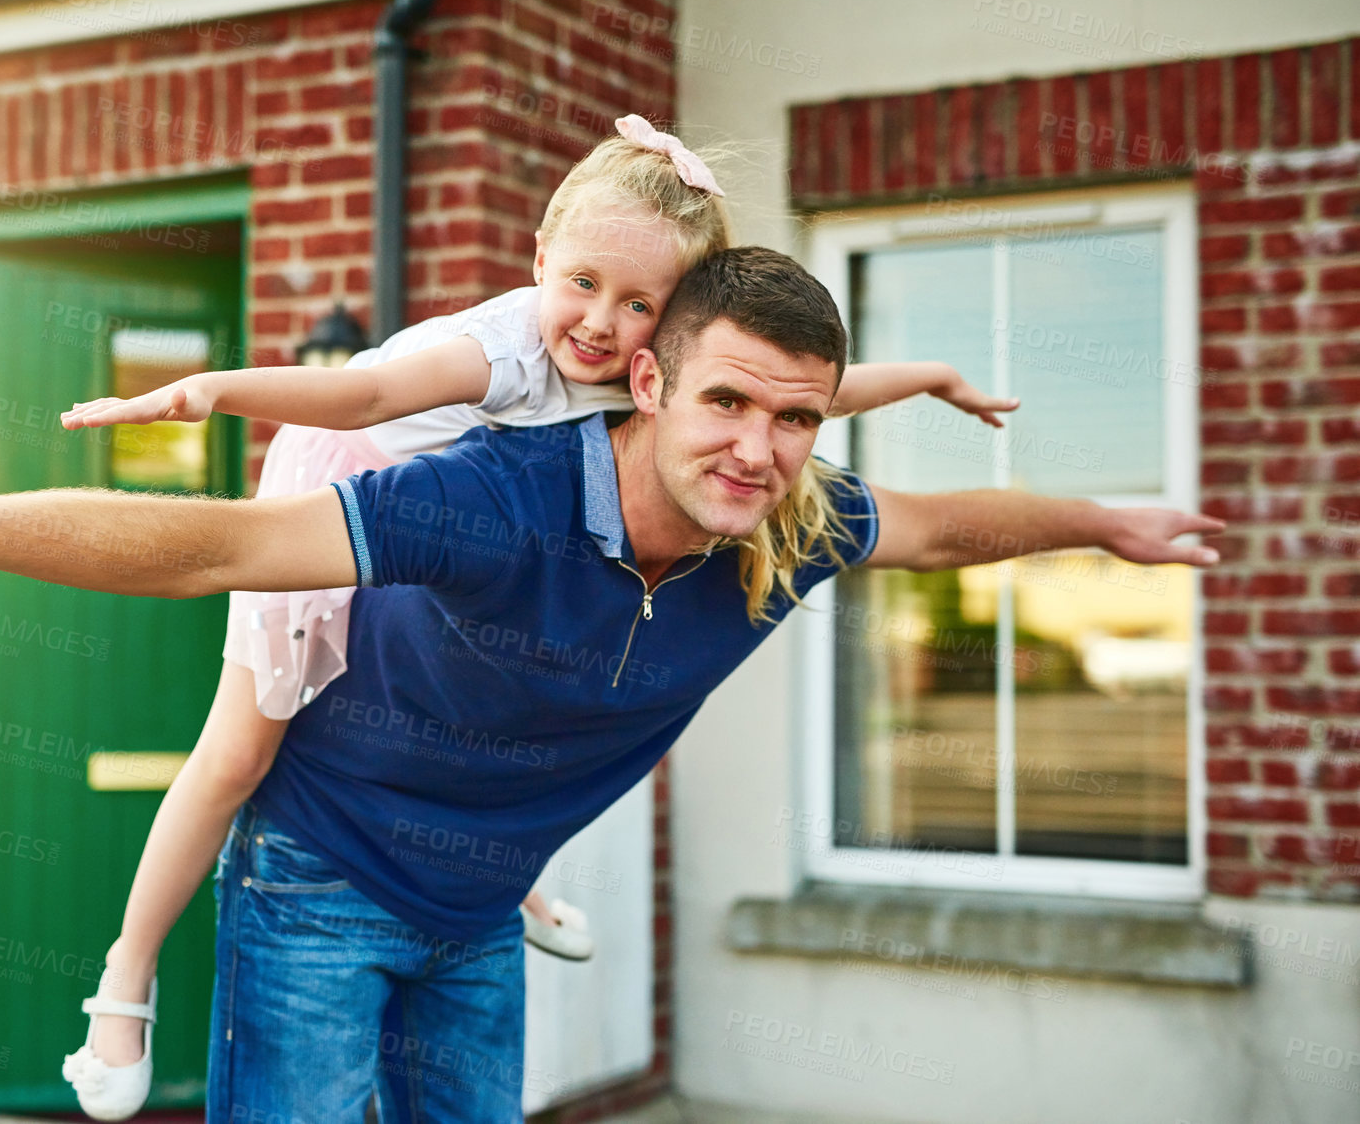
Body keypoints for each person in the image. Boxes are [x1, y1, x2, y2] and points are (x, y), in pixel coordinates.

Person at [0, 246, 1223, 1123]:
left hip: (480, 910)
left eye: (797, 416)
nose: (758, 446)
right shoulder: (488, 497)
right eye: (729, 399)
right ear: (649, 379)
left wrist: (1104, 519)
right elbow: (214, 547)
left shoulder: (795, 524)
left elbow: (948, 528)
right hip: (320, 880)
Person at [51, 116, 1018, 1119]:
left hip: (448, 535)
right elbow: (364, 393)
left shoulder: (643, 379)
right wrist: (214, 391)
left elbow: (813, 389)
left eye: (639, 303)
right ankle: (124, 982)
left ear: (672, 328)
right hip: (343, 500)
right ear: (540, 258)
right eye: (584, 284)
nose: (600, 323)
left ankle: (501, 879)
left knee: (523, 687)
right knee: (240, 755)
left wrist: (932, 379)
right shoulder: (502, 353)